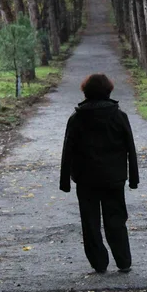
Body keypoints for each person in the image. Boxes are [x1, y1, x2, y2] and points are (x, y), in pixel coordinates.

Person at [59, 73, 139, 274]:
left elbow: (67, 150)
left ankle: (99, 263)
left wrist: (65, 182)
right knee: (117, 219)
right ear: (108, 91)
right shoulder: (119, 116)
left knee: (90, 222)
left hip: (86, 179)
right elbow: (130, 147)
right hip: (114, 177)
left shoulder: (77, 118)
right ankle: (123, 261)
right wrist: (133, 179)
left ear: (85, 92)